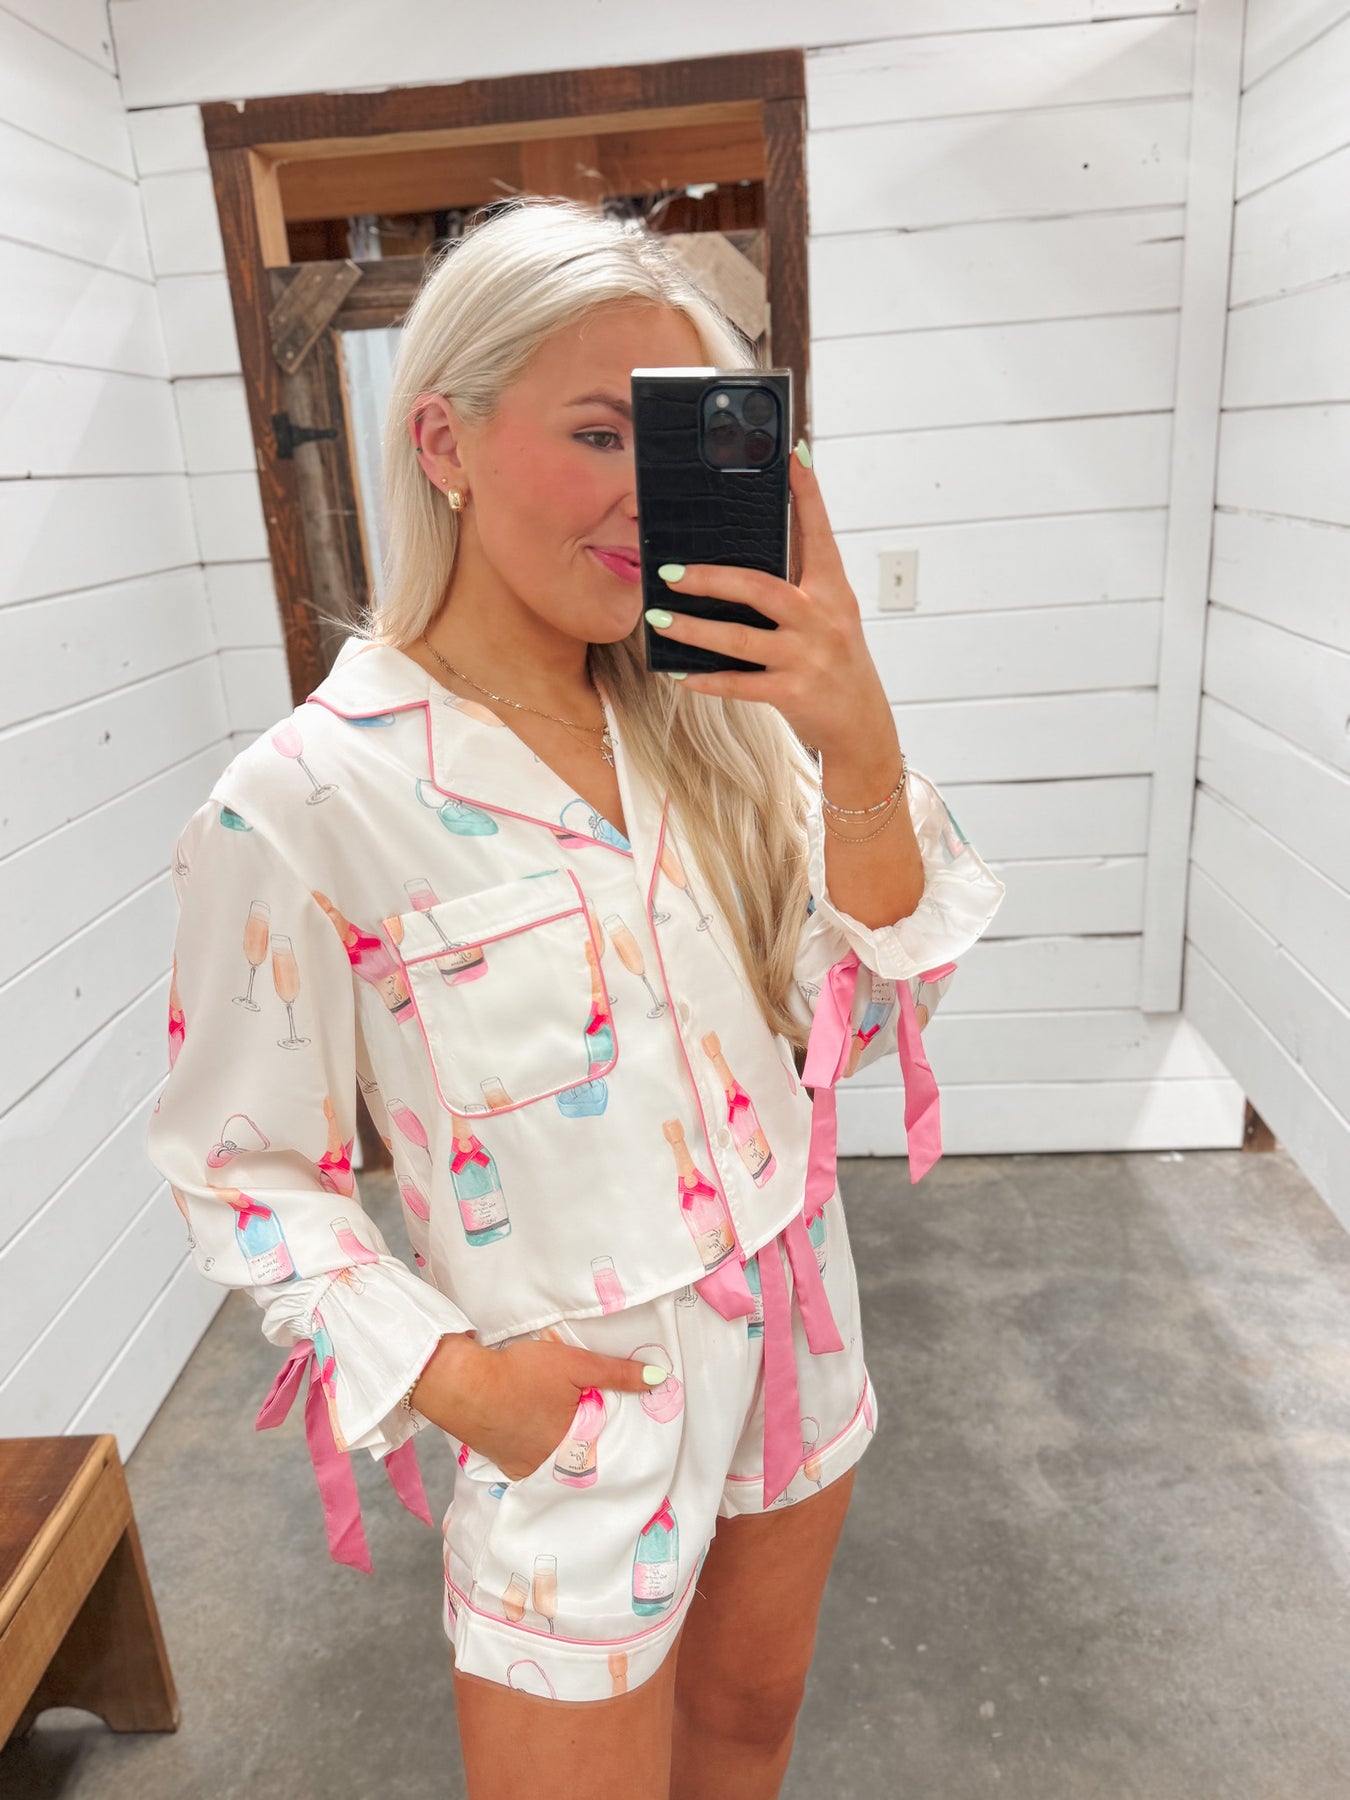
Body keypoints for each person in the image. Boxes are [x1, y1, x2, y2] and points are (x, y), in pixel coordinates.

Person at [145, 196, 1005, 1799]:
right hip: (578, 1408)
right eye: (597, 433)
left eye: (672, 444)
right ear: (444, 442)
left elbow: (876, 1011)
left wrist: (857, 739)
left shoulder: (719, 724)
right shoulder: (310, 800)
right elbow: (238, 1167)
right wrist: (458, 1383)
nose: (641, 495)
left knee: (744, 1740)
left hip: (801, 1335)